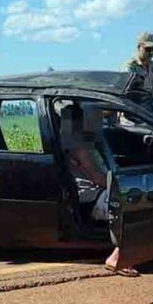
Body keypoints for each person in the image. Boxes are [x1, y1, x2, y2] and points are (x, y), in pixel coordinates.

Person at [59, 103, 139, 277]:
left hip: (96, 191)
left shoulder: (82, 143)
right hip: (92, 195)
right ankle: (118, 257)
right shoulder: (79, 148)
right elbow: (98, 178)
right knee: (134, 205)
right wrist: (125, 186)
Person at [121, 32, 153, 103]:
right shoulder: (130, 66)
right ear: (139, 47)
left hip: (152, 108)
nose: (151, 53)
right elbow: (127, 94)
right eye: (148, 49)